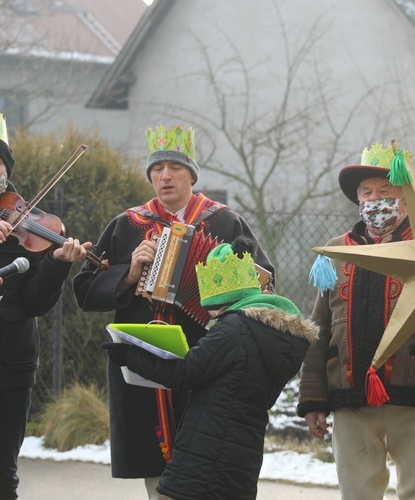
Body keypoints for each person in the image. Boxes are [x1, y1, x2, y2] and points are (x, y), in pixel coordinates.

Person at [72, 125, 275, 499]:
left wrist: (225, 294)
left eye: (175, 167)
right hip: (144, 365)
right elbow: (84, 290)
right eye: (157, 168)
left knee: (209, 462)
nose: (165, 175)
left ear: (192, 175)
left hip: (206, 362)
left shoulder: (224, 222)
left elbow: (263, 286)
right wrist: (129, 274)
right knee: (158, 478)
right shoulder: (125, 225)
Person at [0, 109, 90, 499]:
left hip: (14, 358)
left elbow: (35, 303)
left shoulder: (30, 220)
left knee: (4, 475)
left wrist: (57, 265)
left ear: (7, 167)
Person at [102, 236, 316, 500]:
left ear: (222, 301)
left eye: (212, 310)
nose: (211, 317)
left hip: (207, 454)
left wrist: (129, 356)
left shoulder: (233, 328)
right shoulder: (274, 335)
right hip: (242, 455)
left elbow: (185, 374)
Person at [298, 143, 415, 500]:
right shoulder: (336, 250)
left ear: (407, 199)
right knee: (357, 492)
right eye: (367, 192)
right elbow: (318, 327)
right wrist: (313, 397)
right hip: (350, 397)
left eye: (386, 191)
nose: (375, 199)